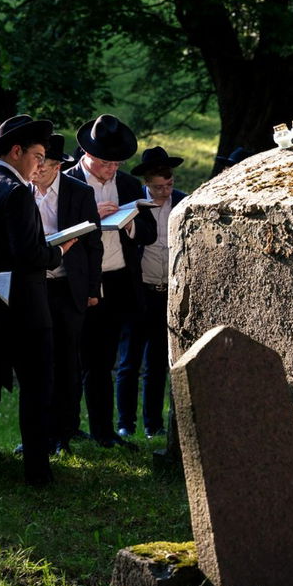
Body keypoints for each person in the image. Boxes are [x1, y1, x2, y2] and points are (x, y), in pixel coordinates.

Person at [0, 114, 75, 486]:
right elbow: (28, 254)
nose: (41, 163)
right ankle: (37, 471)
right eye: (38, 155)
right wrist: (58, 252)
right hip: (23, 309)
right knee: (37, 390)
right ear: (17, 151)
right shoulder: (16, 190)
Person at [64, 114, 157, 449]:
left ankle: (104, 432)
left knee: (104, 361)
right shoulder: (69, 180)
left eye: (117, 163)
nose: (111, 170)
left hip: (117, 280)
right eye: (105, 163)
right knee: (73, 360)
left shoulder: (129, 185)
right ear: (88, 155)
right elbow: (58, 231)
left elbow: (148, 230)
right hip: (78, 282)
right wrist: (92, 218)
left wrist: (127, 223)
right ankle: (67, 428)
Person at [32, 133, 102, 454]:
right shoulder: (22, 190)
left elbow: (93, 245)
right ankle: (40, 432)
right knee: (39, 360)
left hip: (68, 287)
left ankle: (66, 430)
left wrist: (91, 289)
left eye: (42, 164)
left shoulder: (79, 192)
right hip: (35, 286)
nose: (36, 169)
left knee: (68, 361)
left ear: (58, 165)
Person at [117, 147, 186, 440]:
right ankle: (125, 422)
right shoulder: (135, 206)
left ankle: (153, 423)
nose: (164, 191)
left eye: (168, 185)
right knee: (129, 361)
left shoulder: (182, 203)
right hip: (139, 290)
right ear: (147, 182)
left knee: (158, 363)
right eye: (158, 186)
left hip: (167, 291)